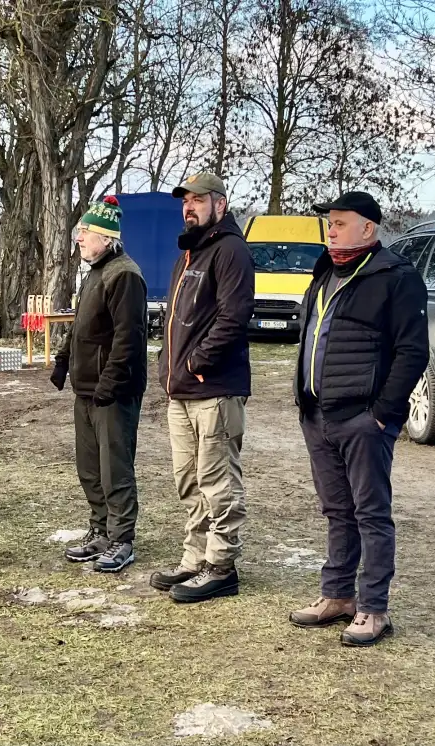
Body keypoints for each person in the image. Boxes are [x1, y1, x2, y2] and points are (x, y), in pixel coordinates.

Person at [287, 191, 428, 646]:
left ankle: (373, 608)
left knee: (371, 513)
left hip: (363, 419)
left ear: (368, 228)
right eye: (329, 223)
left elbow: (412, 352)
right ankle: (337, 595)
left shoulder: (396, 277)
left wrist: (382, 414)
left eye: (340, 223)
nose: (331, 231)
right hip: (318, 415)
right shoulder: (325, 271)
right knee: (337, 511)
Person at [149, 172, 255, 603]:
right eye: (185, 201)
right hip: (181, 392)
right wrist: (167, 365)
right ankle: (195, 558)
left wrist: (196, 362)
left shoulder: (231, 251)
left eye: (197, 200)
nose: (188, 207)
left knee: (218, 480)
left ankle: (221, 566)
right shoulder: (191, 252)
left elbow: (234, 317)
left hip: (215, 390)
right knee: (188, 480)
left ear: (220, 205)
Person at [51, 196, 148, 573]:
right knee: (90, 467)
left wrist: (109, 382)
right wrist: (63, 360)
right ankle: (101, 529)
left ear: (106, 238)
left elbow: (128, 338)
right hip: (87, 389)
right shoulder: (95, 272)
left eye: (85, 232)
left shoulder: (125, 275)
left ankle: (122, 538)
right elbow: (80, 325)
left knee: (114, 468)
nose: (78, 238)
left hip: (114, 392)